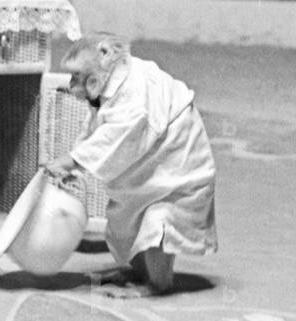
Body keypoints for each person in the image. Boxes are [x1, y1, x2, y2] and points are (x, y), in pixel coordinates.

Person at [47, 33, 217, 296]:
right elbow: (97, 128)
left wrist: (73, 160)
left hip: (175, 171)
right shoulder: (111, 84)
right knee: (128, 217)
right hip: (151, 167)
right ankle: (138, 272)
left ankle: (155, 283)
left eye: (77, 75)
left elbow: (121, 132)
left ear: (105, 54)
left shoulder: (134, 89)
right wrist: (76, 163)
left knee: (156, 219)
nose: (72, 84)